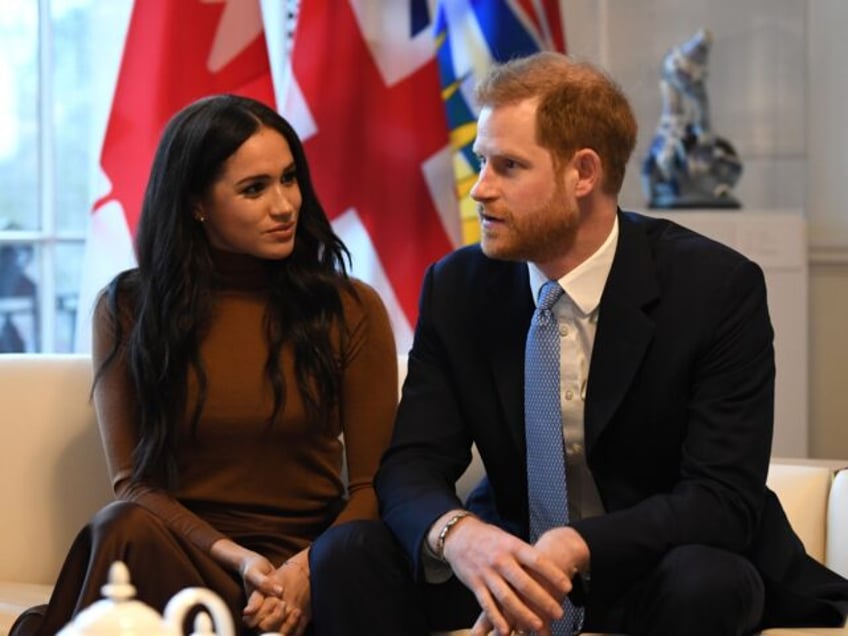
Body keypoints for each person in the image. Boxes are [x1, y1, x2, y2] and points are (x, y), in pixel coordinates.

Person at [308, 52, 848, 636]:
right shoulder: (458, 286)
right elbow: (411, 463)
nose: (480, 190)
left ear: (583, 173)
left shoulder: (716, 288)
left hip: (654, 566)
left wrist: (578, 545)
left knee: (707, 582)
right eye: (480, 162)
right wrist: (459, 535)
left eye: (508, 166)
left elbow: (721, 499)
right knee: (346, 555)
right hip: (508, 566)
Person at [10, 94, 397, 636]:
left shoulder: (349, 307)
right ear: (197, 204)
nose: (285, 205)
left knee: (352, 556)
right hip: (191, 555)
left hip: (311, 562)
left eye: (289, 179)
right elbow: (136, 485)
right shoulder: (128, 307)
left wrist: (302, 572)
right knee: (124, 526)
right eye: (254, 189)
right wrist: (240, 560)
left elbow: (372, 486)